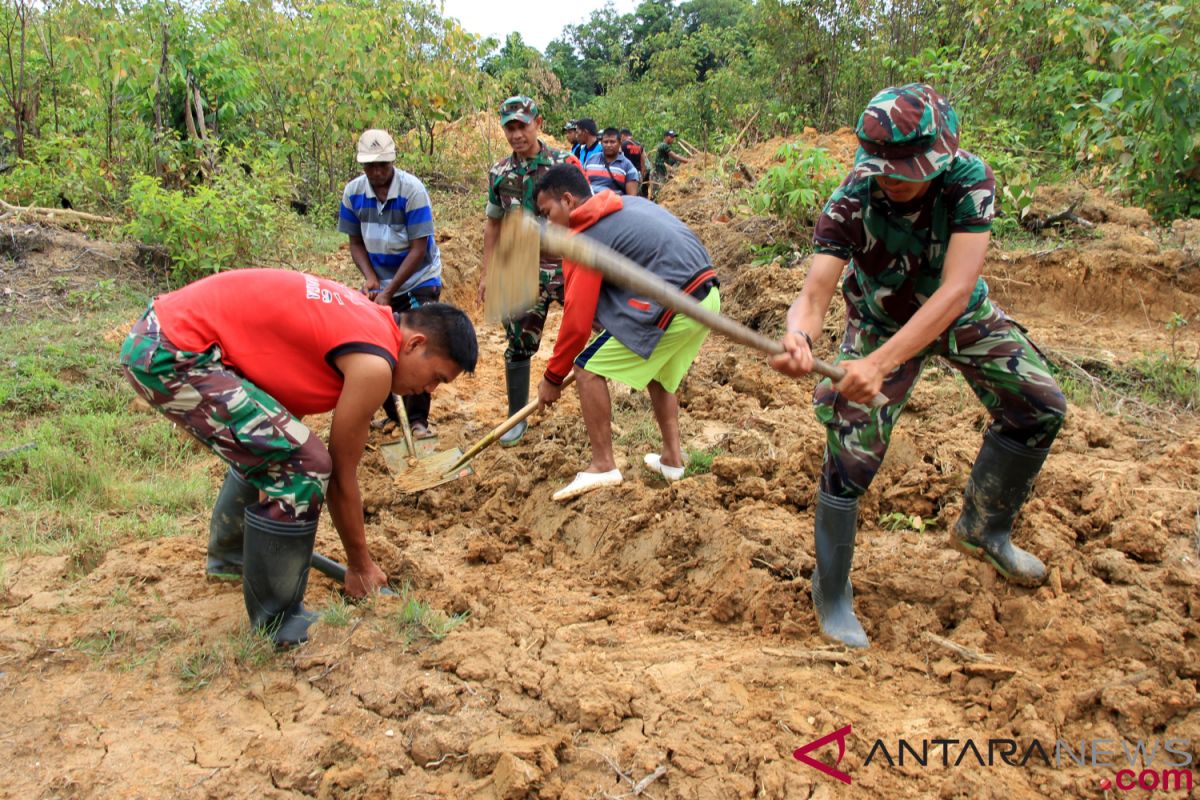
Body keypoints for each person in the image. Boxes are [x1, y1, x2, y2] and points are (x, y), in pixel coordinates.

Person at [768, 84, 1067, 649]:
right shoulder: (850, 200)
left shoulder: (967, 180)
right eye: (885, 167)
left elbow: (955, 291)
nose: (895, 178)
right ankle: (830, 588)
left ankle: (985, 530)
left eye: (908, 168)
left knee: (1040, 406)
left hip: (958, 313)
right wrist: (799, 336)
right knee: (852, 452)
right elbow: (813, 294)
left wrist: (881, 365)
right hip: (879, 320)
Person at [119, 269, 477, 646]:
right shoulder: (375, 364)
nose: (429, 389)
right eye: (436, 376)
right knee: (307, 463)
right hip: (174, 354)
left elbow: (277, 430)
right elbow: (340, 475)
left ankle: (231, 556)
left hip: (159, 336)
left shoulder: (367, 321)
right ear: (415, 343)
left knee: (281, 444)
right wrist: (359, 565)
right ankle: (279, 621)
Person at [534, 164, 719, 502]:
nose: (549, 225)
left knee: (587, 368)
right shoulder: (621, 205)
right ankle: (672, 461)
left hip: (676, 300)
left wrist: (552, 377)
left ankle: (603, 464)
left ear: (568, 200)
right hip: (707, 295)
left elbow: (576, 323)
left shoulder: (586, 235)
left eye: (548, 214)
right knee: (659, 373)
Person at [477, 95, 583, 446]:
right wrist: (487, 273)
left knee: (589, 333)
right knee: (518, 344)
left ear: (538, 122)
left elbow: (585, 214)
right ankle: (516, 416)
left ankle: (592, 405)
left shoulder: (563, 164)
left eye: (522, 125)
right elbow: (493, 225)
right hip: (520, 265)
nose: (516, 134)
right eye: (510, 127)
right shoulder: (500, 172)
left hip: (566, 262)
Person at [338, 128, 444, 439]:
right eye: (371, 166)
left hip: (418, 279)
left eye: (383, 164)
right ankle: (393, 417)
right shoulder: (353, 193)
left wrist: (389, 292)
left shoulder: (412, 191)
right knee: (378, 346)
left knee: (421, 343)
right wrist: (372, 280)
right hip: (380, 279)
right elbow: (355, 242)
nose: (377, 171)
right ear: (362, 166)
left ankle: (418, 421)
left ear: (393, 160)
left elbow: (419, 247)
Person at [583, 127, 641, 196]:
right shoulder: (590, 160)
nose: (608, 145)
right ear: (601, 143)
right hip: (590, 204)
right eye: (605, 142)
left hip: (614, 205)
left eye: (612, 142)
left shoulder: (628, 167)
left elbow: (632, 198)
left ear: (620, 143)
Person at [651, 129, 690, 200]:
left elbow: (673, 159)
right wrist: (689, 161)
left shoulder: (663, 146)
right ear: (666, 137)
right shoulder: (664, 146)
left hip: (660, 172)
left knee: (658, 193)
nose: (673, 139)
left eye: (673, 137)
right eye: (671, 137)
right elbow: (675, 156)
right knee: (657, 194)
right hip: (659, 174)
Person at [619, 128, 647, 196]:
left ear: (622, 135)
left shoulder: (623, 145)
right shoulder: (639, 145)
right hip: (637, 173)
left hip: (626, 174)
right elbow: (643, 160)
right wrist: (642, 174)